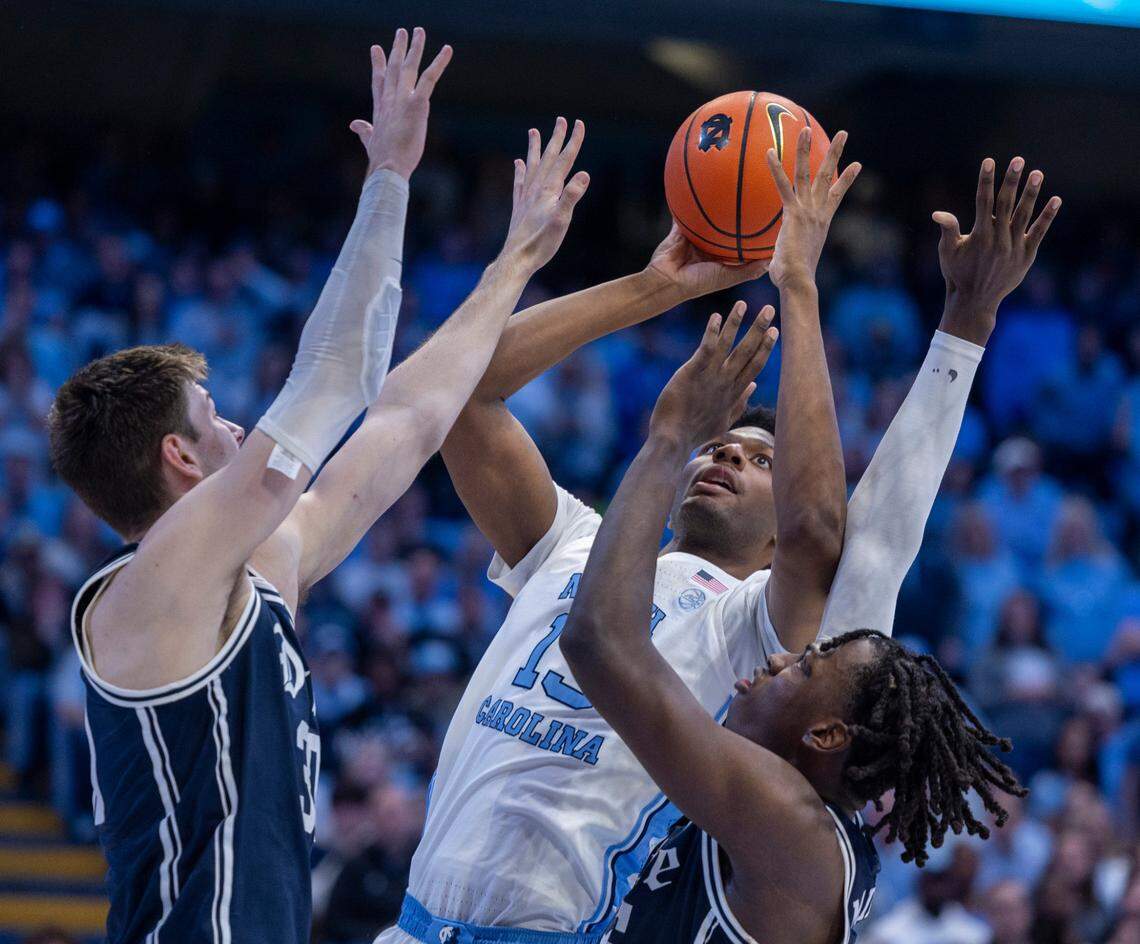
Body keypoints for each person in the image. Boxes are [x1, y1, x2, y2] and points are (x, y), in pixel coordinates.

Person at [375, 141, 1061, 943]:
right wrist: (653, 287)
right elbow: (464, 394)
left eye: (762, 460)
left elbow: (821, 529)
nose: (729, 453)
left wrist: (796, 285)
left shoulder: (762, 635)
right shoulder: (578, 543)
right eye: (721, 444)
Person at [48, 29, 591, 944]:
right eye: (214, 414)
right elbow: (336, 375)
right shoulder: (149, 588)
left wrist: (515, 266)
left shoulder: (247, 574)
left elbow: (403, 422)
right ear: (179, 459)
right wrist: (389, 177)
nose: (233, 425)